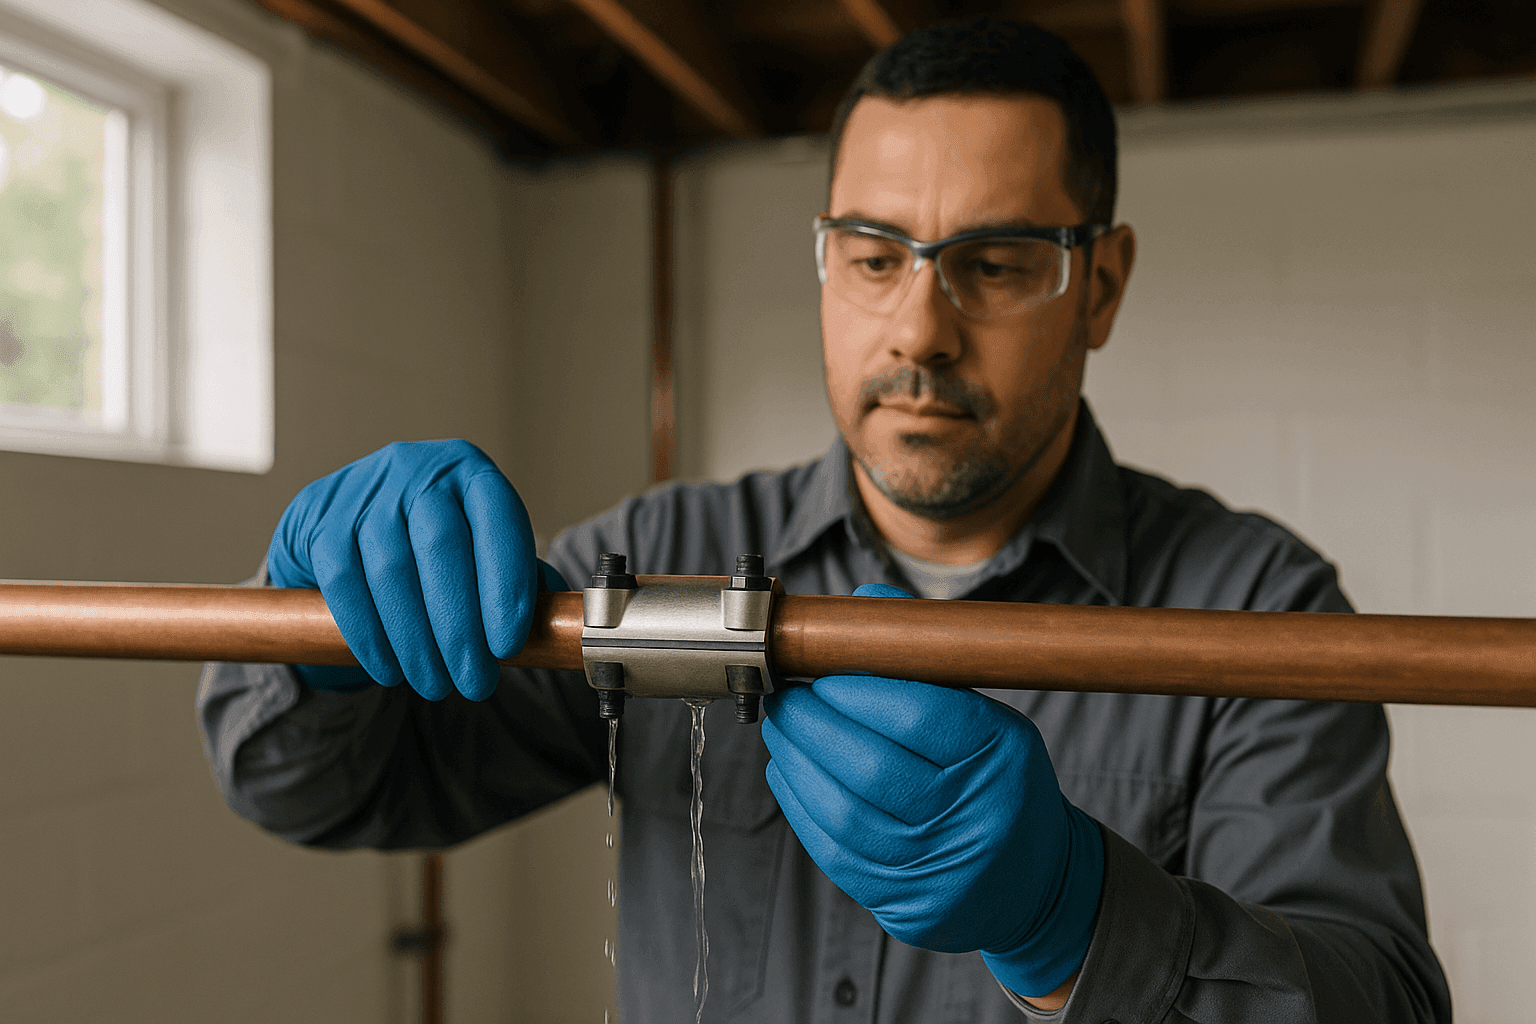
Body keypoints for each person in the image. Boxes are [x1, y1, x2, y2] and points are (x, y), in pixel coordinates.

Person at [197, 19, 1451, 1023]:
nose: (919, 328)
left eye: (997, 261)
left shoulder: (1258, 609)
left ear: (1100, 285)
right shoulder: (658, 562)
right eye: (873, 255)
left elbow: (1384, 1004)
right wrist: (317, 616)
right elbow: (304, 790)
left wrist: (1073, 923)